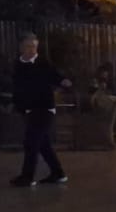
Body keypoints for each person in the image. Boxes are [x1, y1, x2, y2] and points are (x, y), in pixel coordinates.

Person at [9, 34, 71, 187]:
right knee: (43, 144)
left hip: (44, 109)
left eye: (34, 46)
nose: (31, 50)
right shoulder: (18, 65)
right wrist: (16, 104)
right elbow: (18, 87)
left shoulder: (43, 63)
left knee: (31, 142)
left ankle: (27, 176)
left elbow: (54, 75)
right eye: (28, 46)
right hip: (29, 110)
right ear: (21, 47)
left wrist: (63, 81)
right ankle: (58, 173)